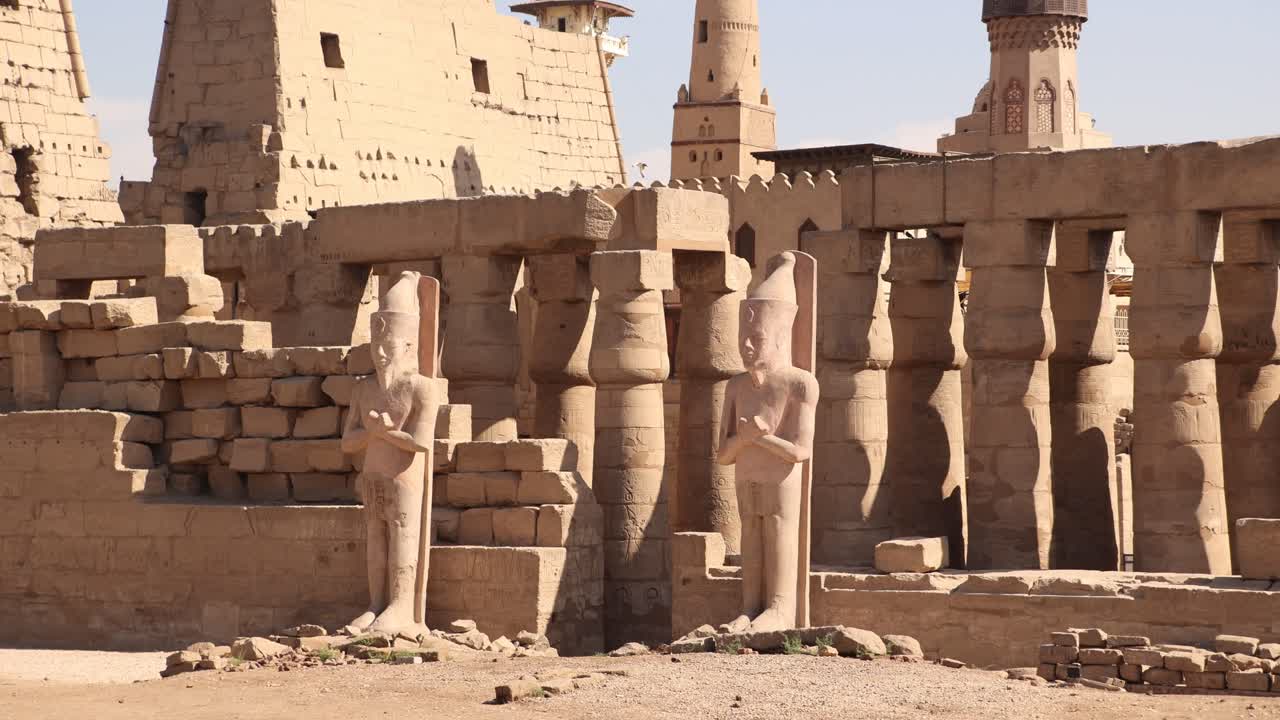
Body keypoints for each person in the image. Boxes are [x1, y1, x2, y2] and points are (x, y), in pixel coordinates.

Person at [716, 252, 819, 633]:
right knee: (751, 537)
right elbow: (724, 455)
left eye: (754, 339)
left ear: (779, 338)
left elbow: (800, 452)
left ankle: (779, 609)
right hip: (746, 476)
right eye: (743, 339)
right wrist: (744, 439)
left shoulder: (800, 383)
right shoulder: (736, 386)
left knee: (777, 532)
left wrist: (762, 437)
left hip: (781, 481)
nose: (745, 346)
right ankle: (749, 608)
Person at [341, 271, 440, 638]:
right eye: (375, 345)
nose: (380, 353)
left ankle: (401, 606)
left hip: (405, 476)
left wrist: (385, 433)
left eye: (389, 345)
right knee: (374, 536)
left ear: (409, 348)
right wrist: (369, 434)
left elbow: (421, 442)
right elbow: (347, 442)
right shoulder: (363, 389)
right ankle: (375, 604)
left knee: (401, 534)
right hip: (373, 472)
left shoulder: (421, 389)